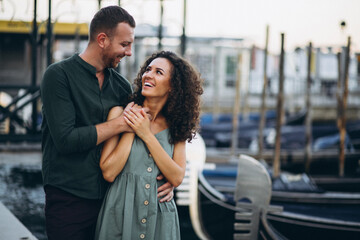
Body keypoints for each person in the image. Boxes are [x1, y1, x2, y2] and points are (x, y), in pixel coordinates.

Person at [40, 6, 173, 240]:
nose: (130, 52)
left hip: (113, 202)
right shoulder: (58, 75)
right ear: (102, 40)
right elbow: (65, 140)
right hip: (68, 200)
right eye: (124, 44)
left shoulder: (121, 86)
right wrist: (122, 124)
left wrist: (166, 181)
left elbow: (145, 133)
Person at [94, 51, 203, 239]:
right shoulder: (120, 113)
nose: (148, 75)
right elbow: (109, 173)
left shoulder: (177, 126)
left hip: (160, 217)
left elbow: (176, 177)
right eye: (148, 69)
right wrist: (131, 127)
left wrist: (145, 134)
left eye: (159, 72)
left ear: (173, 86)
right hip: (120, 213)